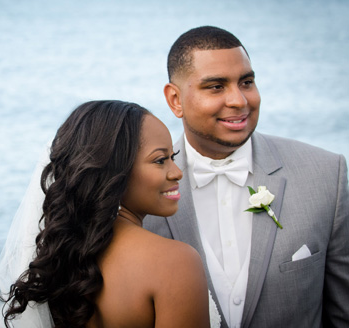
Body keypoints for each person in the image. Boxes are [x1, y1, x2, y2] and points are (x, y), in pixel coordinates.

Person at [143, 26, 349, 328]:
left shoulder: (326, 175)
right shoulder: (136, 193)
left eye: (247, 82)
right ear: (175, 100)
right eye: (216, 86)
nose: (239, 100)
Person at [0, 100, 218, 327]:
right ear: (116, 171)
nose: (177, 172)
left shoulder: (61, 256)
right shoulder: (176, 263)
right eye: (160, 160)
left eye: (173, 156)